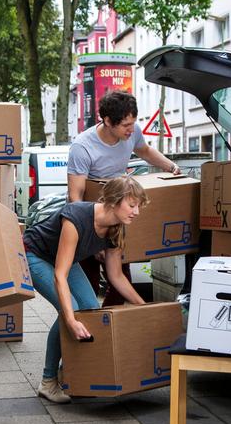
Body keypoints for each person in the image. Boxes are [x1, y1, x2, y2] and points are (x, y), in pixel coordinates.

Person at [23, 176, 149, 403]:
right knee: (70, 311)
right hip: (35, 255)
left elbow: (116, 276)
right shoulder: (76, 218)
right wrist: (70, 319)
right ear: (113, 201)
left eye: (138, 206)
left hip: (64, 260)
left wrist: (144, 308)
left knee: (90, 309)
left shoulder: (116, 228)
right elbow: (59, 276)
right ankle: (48, 381)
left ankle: (69, 371)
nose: (137, 212)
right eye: (132, 205)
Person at [67, 91, 179, 305]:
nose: (131, 129)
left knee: (120, 284)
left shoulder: (133, 132)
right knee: (87, 290)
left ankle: (107, 327)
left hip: (116, 218)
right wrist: (92, 240)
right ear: (107, 121)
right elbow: (76, 196)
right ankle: (83, 328)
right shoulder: (82, 147)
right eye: (126, 125)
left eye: (133, 123)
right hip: (86, 222)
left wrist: (171, 166)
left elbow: (145, 151)